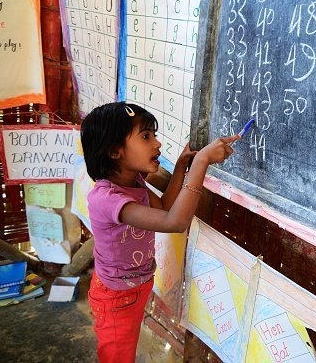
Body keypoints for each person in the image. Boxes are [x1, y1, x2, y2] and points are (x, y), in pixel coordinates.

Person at [81, 102, 238, 363]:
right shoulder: (107, 198)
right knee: (117, 358)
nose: (157, 144)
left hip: (135, 287)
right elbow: (174, 222)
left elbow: (165, 206)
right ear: (114, 151)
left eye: (153, 135)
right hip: (117, 298)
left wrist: (180, 167)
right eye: (146, 137)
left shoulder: (134, 181)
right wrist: (201, 162)